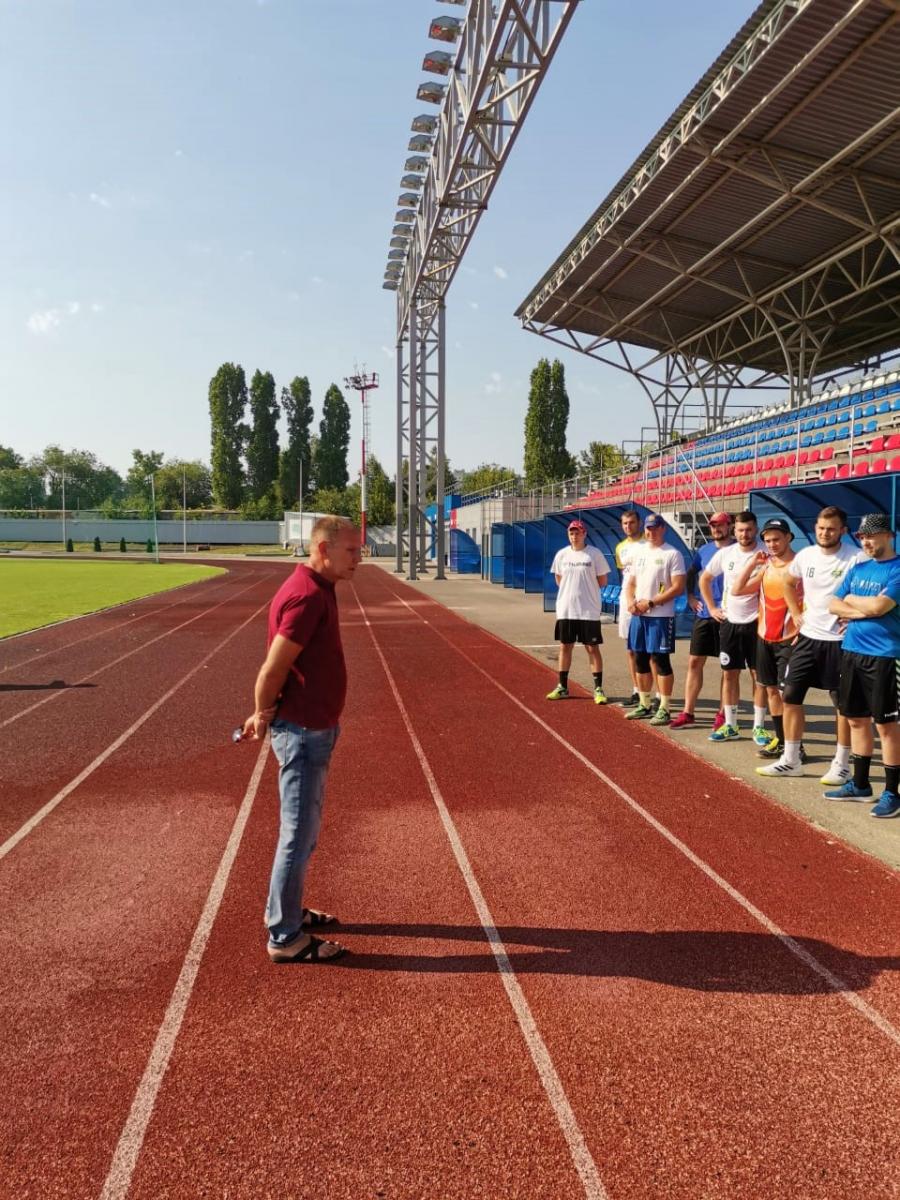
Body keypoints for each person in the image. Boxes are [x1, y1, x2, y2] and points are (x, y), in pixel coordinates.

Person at [241, 515, 362, 963]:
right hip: (304, 732)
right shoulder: (308, 597)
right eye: (351, 551)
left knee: (304, 832)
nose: (359, 558)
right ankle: (285, 936)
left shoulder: (315, 589)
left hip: (311, 727)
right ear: (323, 550)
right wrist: (260, 711)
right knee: (297, 834)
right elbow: (272, 668)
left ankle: (286, 911)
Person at [762, 506, 861, 782]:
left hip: (841, 642)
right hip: (808, 638)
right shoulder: (805, 556)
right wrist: (795, 612)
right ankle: (791, 759)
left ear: (843, 530)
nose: (824, 533)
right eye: (820, 527)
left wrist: (855, 618)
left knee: (842, 705)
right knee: (790, 696)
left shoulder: (856, 558)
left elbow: (868, 591)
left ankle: (841, 764)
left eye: (830, 528)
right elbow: (788, 582)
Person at [825, 512, 900, 818]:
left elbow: (881, 606)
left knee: (886, 725)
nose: (866, 541)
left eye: (872, 535)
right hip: (852, 651)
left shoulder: (897, 569)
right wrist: (861, 608)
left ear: (888, 535)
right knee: (855, 718)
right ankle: (859, 784)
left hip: (885, 655)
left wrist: (853, 603)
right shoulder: (859, 567)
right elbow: (832, 603)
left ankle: (892, 792)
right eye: (862, 537)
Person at [727, 518, 804, 767]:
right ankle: (782, 740)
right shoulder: (766, 565)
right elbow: (737, 590)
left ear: (788, 538)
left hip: (789, 639)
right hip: (764, 637)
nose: (772, 544)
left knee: (788, 695)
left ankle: (796, 746)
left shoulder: (799, 565)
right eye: (768, 539)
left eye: (777, 539)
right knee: (770, 690)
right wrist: (752, 563)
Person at [700, 510, 770, 744]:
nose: (745, 534)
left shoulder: (766, 553)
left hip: (757, 623)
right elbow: (704, 579)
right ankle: (730, 724)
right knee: (729, 674)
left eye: (749, 529)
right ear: (734, 530)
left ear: (756, 529)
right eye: (740, 530)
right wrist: (711, 608)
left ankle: (759, 727)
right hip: (730, 622)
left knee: (758, 676)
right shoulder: (726, 553)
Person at [670, 512, 734, 730]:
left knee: (728, 669)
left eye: (720, 524)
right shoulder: (703, 551)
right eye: (713, 525)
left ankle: (723, 713)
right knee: (694, 662)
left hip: (727, 616)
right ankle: (688, 711)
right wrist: (690, 596)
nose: (716, 528)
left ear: (729, 526)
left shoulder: (737, 549)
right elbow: (691, 573)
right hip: (704, 614)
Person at [623, 513, 686, 726]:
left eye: (655, 528)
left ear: (663, 529)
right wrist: (632, 601)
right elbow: (631, 582)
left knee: (660, 661)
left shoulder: (672, 554)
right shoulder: (639, 552)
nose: (651, 532)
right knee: (639, 658)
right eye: (649, 528)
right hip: (639, 616)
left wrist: (650, 603)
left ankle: (665, 707)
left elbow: (678, 587)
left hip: (660, 616)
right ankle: (644, 703)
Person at [546, 518, 610, 703]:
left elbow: (602, 581)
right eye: (571, 533)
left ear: (584, 534)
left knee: (592, 648)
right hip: (567, 609)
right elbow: (559, 579)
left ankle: (598, 689)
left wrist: (586, 591)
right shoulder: (562, 555)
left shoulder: (594, 554)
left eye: (577, 533)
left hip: (588, 610)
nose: (574, 536)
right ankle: (562, 686)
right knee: (565, 646)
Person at [615, 510, 644, 707]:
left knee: (650, 650)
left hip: (646, 601)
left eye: (632, 522)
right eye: (625, 523)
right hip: (627, 603)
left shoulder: (648, 543)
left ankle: (657, 693)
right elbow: (624, 575)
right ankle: (636, 690)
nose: (628, 526)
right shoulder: (620, 548)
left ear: (639, 523)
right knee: (631, 648)